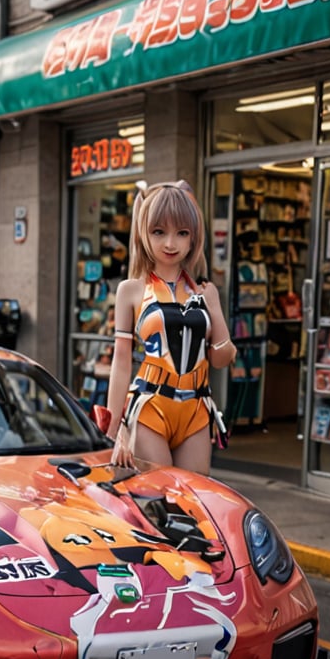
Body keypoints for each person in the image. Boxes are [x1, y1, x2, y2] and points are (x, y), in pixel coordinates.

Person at [106, 180, 236, 475]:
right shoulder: (131, 290)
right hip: (150, 405)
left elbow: (221, 359)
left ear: (193, 238)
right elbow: (122, 361)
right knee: (157, 499)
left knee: (193, 503)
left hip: (196, 408)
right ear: (144, 233)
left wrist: (214, 307)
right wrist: (112, 428)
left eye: (181, 233)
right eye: (159, 231)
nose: (170, 243)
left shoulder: (204, 293)